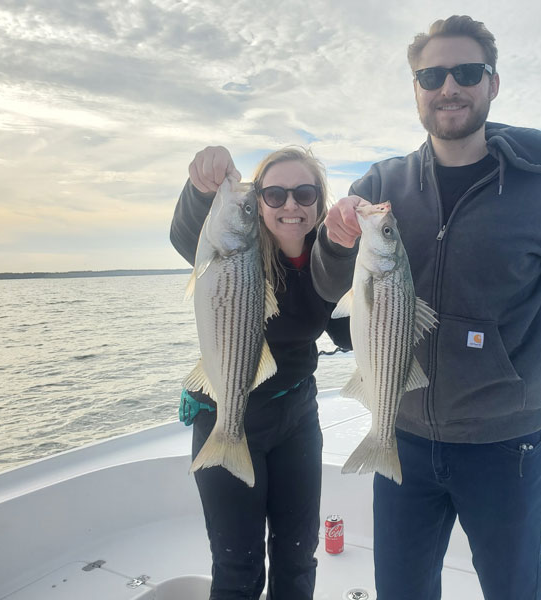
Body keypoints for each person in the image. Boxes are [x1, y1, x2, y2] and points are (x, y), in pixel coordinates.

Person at [310, 15, 541, 600]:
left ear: (492, 84)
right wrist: (334, 238)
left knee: (513, 589)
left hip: (510, 447)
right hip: (403, 437)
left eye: (466, 72)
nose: (448, 87)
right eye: (431, 75)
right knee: (400, 590)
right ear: (417, 90)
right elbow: (329, 288)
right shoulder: (382, 185)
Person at [170, 145, 351, 600]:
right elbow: (185, 234)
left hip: (297, 417)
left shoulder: (326, 257)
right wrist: (200, 188)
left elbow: (347, 335)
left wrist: (361, 275)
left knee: (297, 556)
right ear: (260, 206)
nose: (291, 205)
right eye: (273, 195)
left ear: (319, 202)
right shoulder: (234, 249)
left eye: (304, 193)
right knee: (238, 564)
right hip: (227, 413)